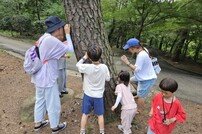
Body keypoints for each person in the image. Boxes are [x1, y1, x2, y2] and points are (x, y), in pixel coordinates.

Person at [31, 16, 73, 133]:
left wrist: (60, 55)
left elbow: (47, 54)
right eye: (62, 28)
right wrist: (68, 34)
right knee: (53, 102)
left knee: (40, 99)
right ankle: (55, 126)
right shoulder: (51, 40)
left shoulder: (43, 38)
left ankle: (38, 123)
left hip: (38, 75)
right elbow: (70, 49)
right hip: (47, 77)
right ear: (58, 28)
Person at [76, 46, 110, 134]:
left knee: (85, 114)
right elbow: (108, 79)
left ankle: (82, 131)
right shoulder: (104, 67)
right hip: (98, 96)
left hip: (88, 95)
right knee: (100, 115)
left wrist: (84, 57)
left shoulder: (87, 67)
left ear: (90, 57)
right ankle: (102, 132)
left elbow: (77, 65)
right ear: (100, 56)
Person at [121, 38, 157, 111]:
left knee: (141, 97)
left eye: (129, 49)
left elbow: (136, 69)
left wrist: (126, 62)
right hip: (143, 76)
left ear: (134, 48)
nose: (128, 50)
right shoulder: (143, 51)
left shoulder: (141, 55)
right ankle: (140, 92)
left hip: (146, 79)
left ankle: (139, 110)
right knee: (130, 81)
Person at [57, 33, 74, 98]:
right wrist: (65, 55)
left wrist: (67, 54)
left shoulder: (65, 42)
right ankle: (58, 91)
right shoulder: (55, 42)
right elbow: (55, 54)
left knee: (64, 76)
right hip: (58, 63)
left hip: (63, 62)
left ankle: (63, 89)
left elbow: (69, 50)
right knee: (59, 78)